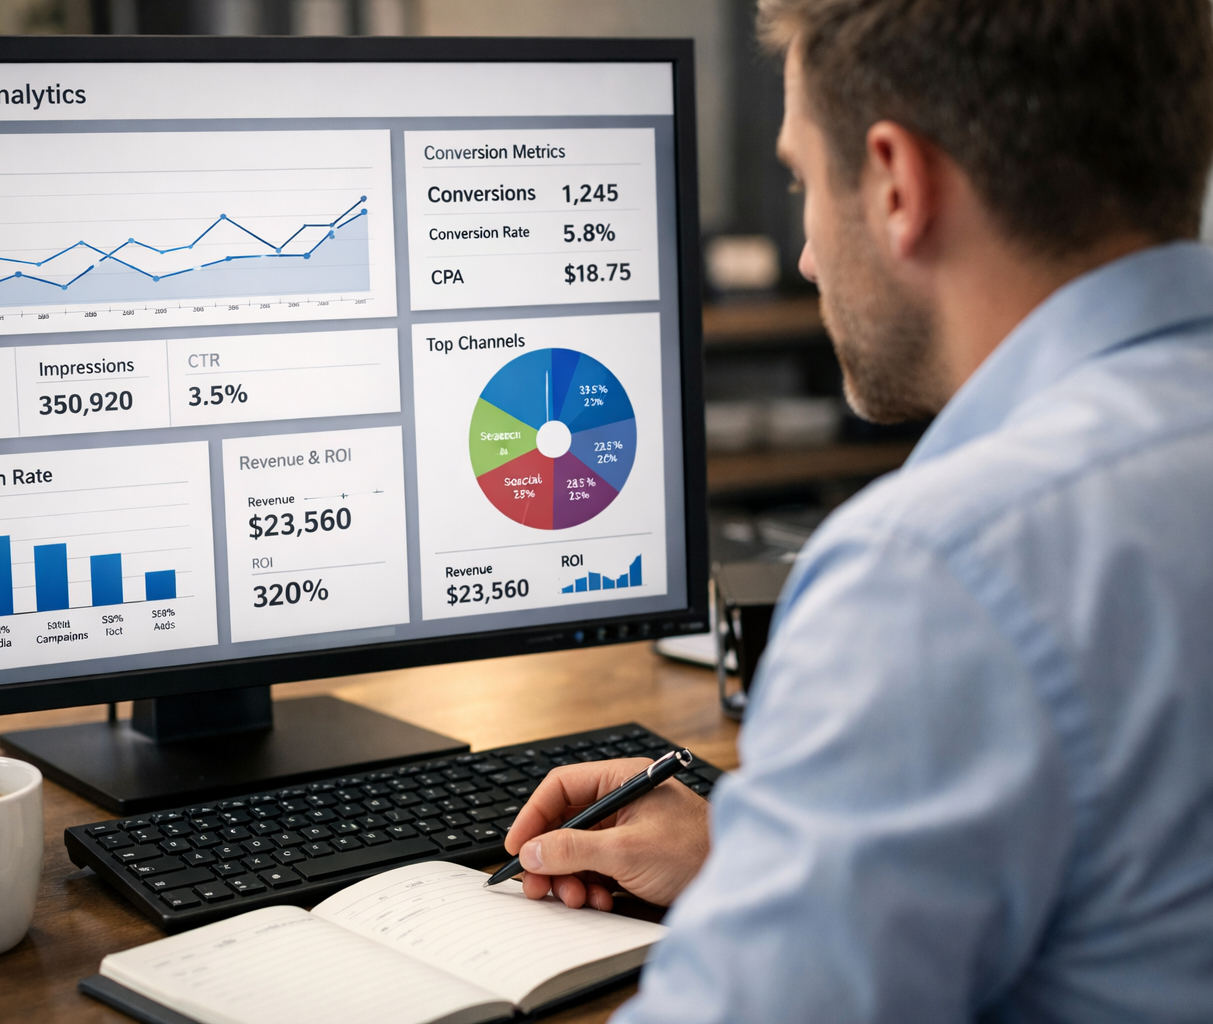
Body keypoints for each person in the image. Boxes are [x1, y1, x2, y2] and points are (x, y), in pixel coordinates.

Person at [504, 2, 1213, 1020]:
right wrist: (773, 847)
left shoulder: (945, 571)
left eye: (800, 180)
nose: (802, 256)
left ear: (894, 183)